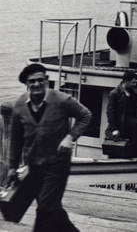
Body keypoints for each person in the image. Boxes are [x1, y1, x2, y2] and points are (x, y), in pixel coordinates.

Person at [8, 63, 92, 232]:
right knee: (52, 209)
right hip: (34, 167)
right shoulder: (18, 106)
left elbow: (85, 115)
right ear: (26, 83)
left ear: (46, 80)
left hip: (57, 164)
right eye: (32, 81)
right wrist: (12, 167)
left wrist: (70, 137)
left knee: (45, 207)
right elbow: (16, 140)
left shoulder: (61, 100)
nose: (37, 84)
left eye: (40, 80)